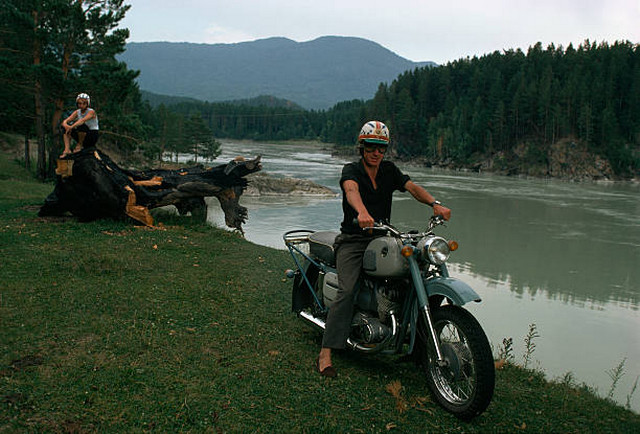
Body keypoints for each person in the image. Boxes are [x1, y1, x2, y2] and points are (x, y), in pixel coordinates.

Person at [316, 120, 451, 377]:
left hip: (383, 237)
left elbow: (411, 187)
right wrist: (362, 212)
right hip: (354, 239)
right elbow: (351, 190)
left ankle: (421, 343)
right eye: (371, 147)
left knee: (413, 276)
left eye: (381, 148)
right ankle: (326, 352)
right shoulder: (351, 169)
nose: (376, 153)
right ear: (362, 147)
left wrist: (435, 203)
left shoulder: (389, 170)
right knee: (347, 290)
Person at [60, 93, 99, 158]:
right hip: (82, 134)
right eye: (79, 103)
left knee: (81, 126)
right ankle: (67, 149)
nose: (81, 106)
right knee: (65, 129)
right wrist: (65, 125)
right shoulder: (77, 112)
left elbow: (82, 121)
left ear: (87, 104)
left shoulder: (91, 112)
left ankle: (79, 145)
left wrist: (71, 127)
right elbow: (66, 120)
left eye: (84, 104)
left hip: (91, 135)